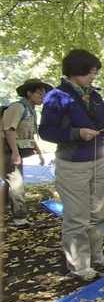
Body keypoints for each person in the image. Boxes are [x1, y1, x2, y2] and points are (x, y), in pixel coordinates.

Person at [39, 49, 104, 280]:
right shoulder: (57, 96)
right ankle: (79, 265)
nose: (93, 76)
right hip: (72, 165)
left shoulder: (94, 95)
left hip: (98, 162)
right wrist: (76, 133)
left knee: (100, 213)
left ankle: (96, 255)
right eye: (90, 71)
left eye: (95, 72)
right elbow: (45, 131)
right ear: (75, 70)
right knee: (77, 216)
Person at [1, 79, 51, 228]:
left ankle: (5, 205)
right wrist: (14, 153)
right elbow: (9, 130)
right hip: (5, 149)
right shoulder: (18, 107)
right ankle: (20, 218)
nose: (42, 97)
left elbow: (30, 135)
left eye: (44, 94)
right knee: (16, 183)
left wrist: (39, 153)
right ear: (29, 93)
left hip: (15, 150)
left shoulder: (31, 111)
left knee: (13, 181)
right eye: (39, 93)